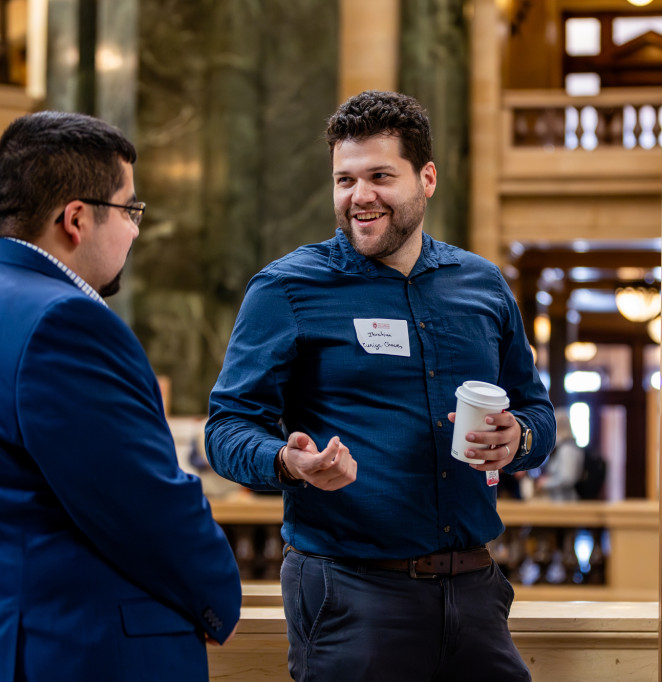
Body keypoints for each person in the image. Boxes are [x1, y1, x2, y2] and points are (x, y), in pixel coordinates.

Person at [206, 90, 555, 681]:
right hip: (350, 595)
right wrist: (288, 462)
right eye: (345, 179)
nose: (359, 197)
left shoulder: (484, 285)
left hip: (476, 592)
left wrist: (517, 439)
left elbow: (538, 414)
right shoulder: (286, 289)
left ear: (427, 178)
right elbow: (226, 429)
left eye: (379, 176)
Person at [0, 111, 242, 681]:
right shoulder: (64, 322)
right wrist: (218, 598)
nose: (135, 229)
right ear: (76, 218)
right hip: (75, 651)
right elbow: (146, 503)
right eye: (131, 209)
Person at [534, 408, 585, 501]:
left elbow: (567, 478)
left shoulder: (567, 450)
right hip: (558, 499)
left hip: (564, 502)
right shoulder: (564, 447)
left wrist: (546, 483)